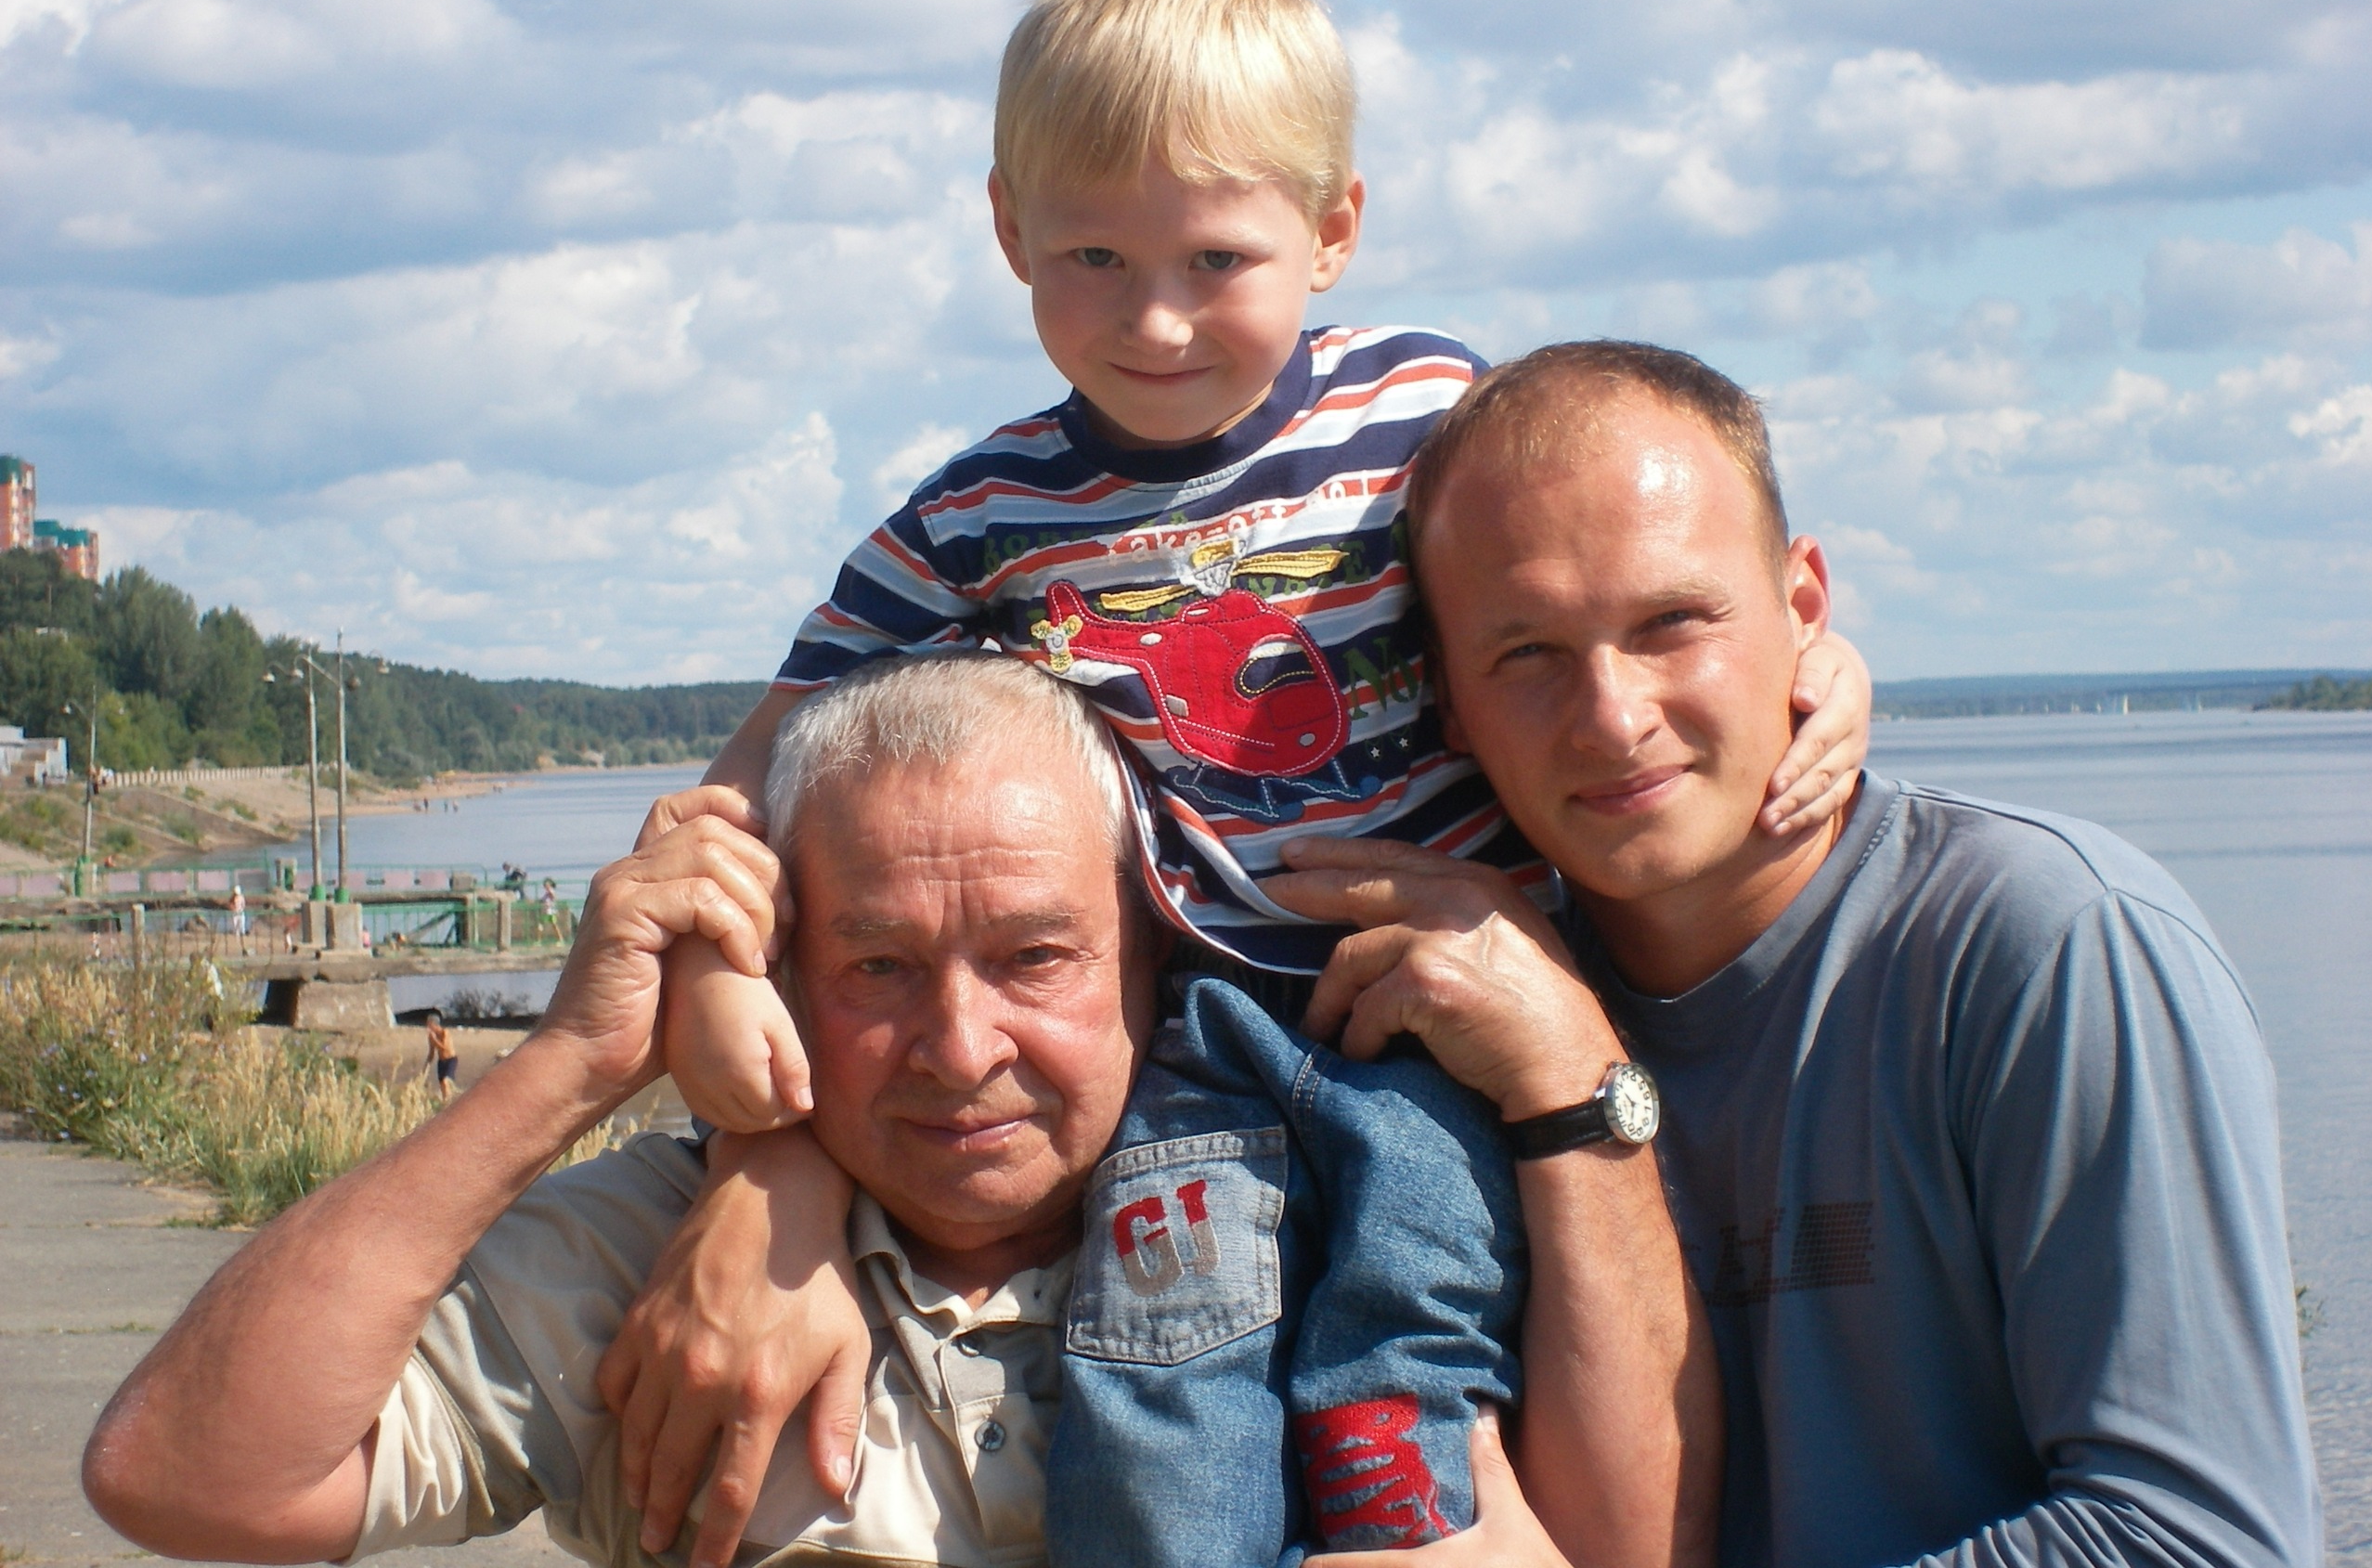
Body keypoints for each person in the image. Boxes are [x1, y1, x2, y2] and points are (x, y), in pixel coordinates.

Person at [635, 0, 1860, 1568]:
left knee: (1405, 1349)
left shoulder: (1425, 414)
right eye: (1093, 259)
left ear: (1334, 228)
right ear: (1009, 230)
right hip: (1197, 1034)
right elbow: (755, 776)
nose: (1155, 322)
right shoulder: (983, 515)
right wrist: (716, 971)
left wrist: (1823, 669)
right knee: (1159, 1377)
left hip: (1437, 1013)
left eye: (1216, 261)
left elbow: (1631, 550)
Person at [78, 654, 1699, 1568]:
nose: (957, 1045)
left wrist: (1576, 1083)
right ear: (783, 962)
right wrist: (574, 1061)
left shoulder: (1336, 1216)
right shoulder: (661, 1261)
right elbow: (186, 1477)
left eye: (1035, 958)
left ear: (1150, 953)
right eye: (876, 966)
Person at [1258, 340, 2323, 1566]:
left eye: (1672, 622)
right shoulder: (1452, 1000)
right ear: (1447, 696)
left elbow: (2199, 1540)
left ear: (1803, 606)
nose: (1613, 717)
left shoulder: (2048, 946)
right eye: (1527, 653)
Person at [423, 1006, 459, 1099]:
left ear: (434, 1024)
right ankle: (446, 1100)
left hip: (450, 1059)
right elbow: (431, 1053)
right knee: (442, 1084)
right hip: (441, 1061)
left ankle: (449, 1100)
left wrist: (435, 1039)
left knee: (445, 1081)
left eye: (429, 1024)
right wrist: (426, 1067)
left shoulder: (445, 1033)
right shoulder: (431, 1036)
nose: (428, 1027)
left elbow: (444, 1048)